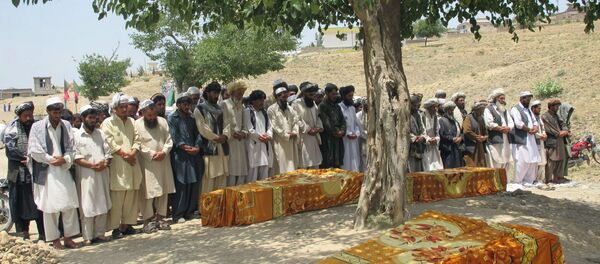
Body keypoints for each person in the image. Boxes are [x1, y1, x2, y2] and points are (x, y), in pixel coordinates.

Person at [27, 97, 80, 249]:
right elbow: (34, 150)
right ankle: (54, 239)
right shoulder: (37, 127)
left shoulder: (66, 125)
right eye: (54, 111)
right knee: (50, 208)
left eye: (59, 111)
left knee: (69, 205)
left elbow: (72, 147)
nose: (57, 114)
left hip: (63, 169)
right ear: (48, 111)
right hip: (47, 171)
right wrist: (51, 160)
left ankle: (69, 237)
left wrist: (65, 159)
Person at [101, 93, 143, 238]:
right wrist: (125, 155)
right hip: (118, 165)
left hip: (132, 163)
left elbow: (137, 139)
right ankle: (115, 228)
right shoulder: (108, 123)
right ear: (114, 108)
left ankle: (128, 225)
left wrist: (133, 153)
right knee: (117, 198)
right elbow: (109, 142)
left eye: (126, 107)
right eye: (121, 107)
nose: (124, 110)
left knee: (131, 196)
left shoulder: (132, 121)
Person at [3, 102, 45, 241]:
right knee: (19, 204)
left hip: (35, 174)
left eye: (30, 115)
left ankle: (43, 234)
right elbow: (10, 150)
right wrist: (26, 157)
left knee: (39, 203)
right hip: (17, 175)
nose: (28, 118)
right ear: (19, 116)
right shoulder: (12, 129)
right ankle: (23, 234)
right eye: (25, 116)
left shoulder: (36, 126)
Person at [73, 105, 112, 245]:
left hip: (102, 173)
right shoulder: (76, 136)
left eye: (94, 117)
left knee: (102, 202)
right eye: (89, 117)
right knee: (87, 205)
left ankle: (100, 234)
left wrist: (105, 162)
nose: (93, 120)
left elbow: (108, 152)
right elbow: (75, 156)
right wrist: (91, 165)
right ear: (83, 118)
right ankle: (87, 236)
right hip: (86, 175)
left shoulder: (100, 133)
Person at [134, 100, 176, 231]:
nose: (152, 118)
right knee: (147, 191)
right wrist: (152, 154)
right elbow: (138, 144)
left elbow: (169, 139)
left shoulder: (162, 121)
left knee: (163, 190)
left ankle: (161, 218)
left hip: (163, 160)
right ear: (143, 114)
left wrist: (164, 152)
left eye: (153, 115)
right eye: (149, 116)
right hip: (147, 162)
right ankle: (147, 220)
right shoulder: (137, 124)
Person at [168, 94, 203, 223]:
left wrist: (197, 147)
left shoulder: (191, 118)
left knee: (192, 183)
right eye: (184, 104)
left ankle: (189, 211)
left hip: (193, 154)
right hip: (180, 156)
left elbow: (198, 134)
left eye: (188, 104)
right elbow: (174, 136)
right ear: (178, 105)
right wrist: (186, 148)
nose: (187, 106)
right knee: (181, 184)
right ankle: (178, 214)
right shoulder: (172, 118)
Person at [194, 81, 229, 193]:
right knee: (209, 179)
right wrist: (216, 137)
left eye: (218, 93)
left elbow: (228, 124)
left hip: (222, 148)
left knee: (221, 179)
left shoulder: (220, 109)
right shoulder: (199, 109)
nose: (216, 96)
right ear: (207, 93)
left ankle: (218, 207)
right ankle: (206, 209)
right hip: (209, 148)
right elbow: (203, 128)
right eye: (214, 93)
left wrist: (225, 136)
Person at [509, 91, 540, 186]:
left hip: (530, 138)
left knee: (532, 159)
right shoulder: (515, 109)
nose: (528, 101)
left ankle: (528, 180)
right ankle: (518, 181)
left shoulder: (528, 110)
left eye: (529, 99)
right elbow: (518, 123)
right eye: (527, 99)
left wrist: (535, 128)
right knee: (522, 160)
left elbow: (534, 121)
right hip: (522, 138)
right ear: (521, 99)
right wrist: (528, 129)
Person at [221, 81, 249, 186]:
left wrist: (244, 133)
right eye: (239, 93)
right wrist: (233, 134)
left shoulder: (242, 107)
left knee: (241, 172)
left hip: (240, 142)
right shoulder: (224, 104)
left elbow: (245, 125)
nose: (241, 96)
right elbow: (223, 123)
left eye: (242, 93)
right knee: (231, 172)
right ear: (232, 93)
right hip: (230, 142)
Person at [267, 85, 299, 174]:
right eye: (282, 96)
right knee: (281, 166)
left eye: (286, 96)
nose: (284, 98)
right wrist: (287, 135)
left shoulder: (290, 108)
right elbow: (274, 126)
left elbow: (296, 121)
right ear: (277, 97)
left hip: (291, 141)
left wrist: (295, 132)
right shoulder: (271, 109)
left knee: (292, 165)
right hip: (280, 142)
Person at [484, 88, 515, 179]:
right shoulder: (488, 109)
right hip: (496, 138)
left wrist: (508, 128)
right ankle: (495, 181)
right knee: (497, 160)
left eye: (503, 98)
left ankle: (504, 181)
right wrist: (500, 128)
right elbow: (489, 123)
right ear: (496, 99)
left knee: (506, 160)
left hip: (506, 138)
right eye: (501, 99)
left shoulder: (504, 110)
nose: (503, 100)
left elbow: (510, 122)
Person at [243, 90, 273, 181]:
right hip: (253, 144)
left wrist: (268, 135)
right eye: (260, 100)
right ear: (253, 100)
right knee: (253, 172)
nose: (262, 102)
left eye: (263, 100)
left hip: (264, 144)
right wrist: (260, 137)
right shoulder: (248, 111)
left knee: (264, 170)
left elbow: (270, 126)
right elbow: (249, 128)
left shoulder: (264, 112)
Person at [292, 82, 323, 169]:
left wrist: (318, 128)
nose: (312, 94)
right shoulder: (296, 104)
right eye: (310, 93)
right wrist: (308, 129)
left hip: (314, 138)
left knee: (315, 165)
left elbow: (318, 118)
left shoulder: (314, 105)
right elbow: (296, 119)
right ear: (304, 93)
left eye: (314, 93)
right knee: (304, 165)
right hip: (303, 138)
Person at [543, 99, 570, 184]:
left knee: (561, 158)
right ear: (551, 107)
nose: (558, 108)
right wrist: (560, 133)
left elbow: (563, 124)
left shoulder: (556, 116)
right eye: (556, 106)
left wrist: (565, 131)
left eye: (558, 106)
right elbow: (550, 129)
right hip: (552, 140)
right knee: (552, 160)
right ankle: (549, 179)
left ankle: (558, 177)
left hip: (560, 140)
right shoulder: (545, 116)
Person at [319, 83, 346, 169]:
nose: (335, 96)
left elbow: (343, 121)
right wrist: (335, 132)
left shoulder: (337, 107)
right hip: (327, 139)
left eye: (336, 94)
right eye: (333, 94)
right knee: (328, 163)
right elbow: (325, 122)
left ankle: (337, 182)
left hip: (338, 138)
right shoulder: (322, 106)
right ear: (327, 93)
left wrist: (342, 131)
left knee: (337, 163)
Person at [338, 85, 361, 172]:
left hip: (354, 139)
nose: (351, 98)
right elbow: (339, 124)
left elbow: (356, 124)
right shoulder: (339, 108)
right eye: (349, 96)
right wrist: (348, 133)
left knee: (355, 161)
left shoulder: (352, 108)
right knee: (346, 161)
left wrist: (357, 133)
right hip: (345, 140)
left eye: (352, 95)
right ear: (343, 96)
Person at [438, 101, 465, 168]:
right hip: (448, 149)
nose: (452, 111)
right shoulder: (442, 120)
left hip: (457, 148)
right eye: (450, 109)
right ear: (446, 110)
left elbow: (461, 132)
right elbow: (442, 134)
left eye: (452, 109)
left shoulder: (455, 121)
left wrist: (460, 138)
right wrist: (453, 139)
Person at [463, 100, 489, 167]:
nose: (482, 112)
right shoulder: (468, 118)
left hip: (480, 145)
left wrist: (485, 137)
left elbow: (485, 132)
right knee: (472, 164)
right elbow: (466, 130)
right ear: (475, 110)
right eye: (480, 110)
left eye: (482, 110)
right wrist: (477, 137)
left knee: (481, 164)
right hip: (471, 146)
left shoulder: (481, 118)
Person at [421, 98, 443, 171]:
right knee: (428, 167)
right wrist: (428, 139)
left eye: (436, 107)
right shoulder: (422, 116)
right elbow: (422, 130)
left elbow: (437, 131)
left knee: (437, 167)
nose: (435, 109)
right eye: (434, 107)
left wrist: (436, 139)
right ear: (429, 108)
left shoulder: (435, 117)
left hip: (434, 146)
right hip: (425, 147)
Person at [530, 100, 548, 183]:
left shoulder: (539, 118)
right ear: (533, 108)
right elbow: (533, 130)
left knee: (542, 162)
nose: (539, 110)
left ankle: (540, 179)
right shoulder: (530, 118)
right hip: (534, 141)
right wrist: (541, 136)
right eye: (538, 108)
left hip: (541, 142)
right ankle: (534, 179)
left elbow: (542, 127)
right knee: (535, 162)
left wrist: (544, 134)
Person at [408, 94, 426, 172]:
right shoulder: (405, 114)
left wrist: (422, 137)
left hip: (419, 147)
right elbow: (403, 132)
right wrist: (414, 138)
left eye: (417, 106)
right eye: (414, 106)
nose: (416, 108)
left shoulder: (418, 114)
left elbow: (423, 128)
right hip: (409, 148)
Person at [356, 97, 368, 172]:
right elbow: (360, 130)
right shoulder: (358, 115)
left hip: (374, 142)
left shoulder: (375, 114)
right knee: (364, 163)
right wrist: (370, 136)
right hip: (363, 142)